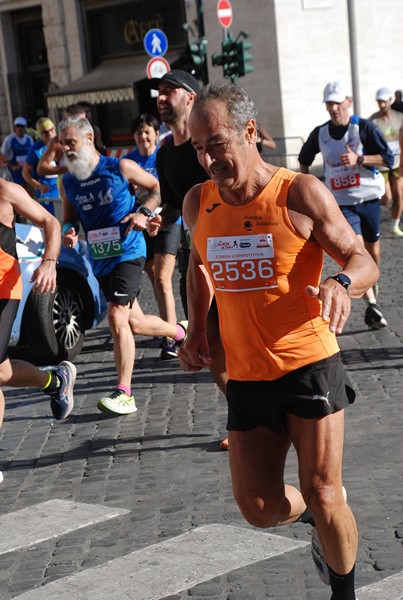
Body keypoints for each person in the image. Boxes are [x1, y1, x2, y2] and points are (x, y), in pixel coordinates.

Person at [177, 82, 378, 600]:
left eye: (215, 143)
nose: (207, 159)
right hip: (246, 376)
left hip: (310, 364)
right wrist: (197, 326)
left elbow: (363, 260)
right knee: (259, 508)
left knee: (325, 489)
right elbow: (198, 267)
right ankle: (315, 515)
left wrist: (339, 283)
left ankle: (343, 590)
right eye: (198, 148)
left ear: (249, 132)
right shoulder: (198, 202)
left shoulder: (298, 193)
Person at [58, 116, 187, 416]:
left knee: (117, 317)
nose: (66, 149)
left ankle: (124, 392)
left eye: (71, 142)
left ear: (89, 139)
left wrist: (143, 212)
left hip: (129, 250)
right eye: (63, 144)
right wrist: (69, 230)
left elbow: (156, 188)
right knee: (135, 323)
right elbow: (69, 215)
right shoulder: (68, 181)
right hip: (101, 259)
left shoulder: (119, 167)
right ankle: (180, 333)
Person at [148, 69, 228, 442]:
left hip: (231, 256)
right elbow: (173, 205)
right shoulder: (164, 153)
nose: (161, 97)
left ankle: (255, 415)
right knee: (210, 343)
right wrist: (152, 218)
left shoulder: (212, 147)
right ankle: (242, 414)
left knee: (239, 339)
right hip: (195, 262)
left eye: (169, 91)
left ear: (191, 98)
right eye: (159, 92)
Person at [298, 81, 393, 330]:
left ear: (348, 102)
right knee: (355, 250)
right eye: (329, 103)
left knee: (373, 254)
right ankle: (372, 305)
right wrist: (303, 189)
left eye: (338, 102)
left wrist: (360, 158)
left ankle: (371, 280)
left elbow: (389, 159)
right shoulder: (320, 133)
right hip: (341, 204)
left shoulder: (364, 128)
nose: (334, 108)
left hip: (368, 199)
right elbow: (303, 159)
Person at [0, 179, 77, 482]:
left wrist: (49, 262)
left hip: (4, 289)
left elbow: (50, 221)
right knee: (3, 371)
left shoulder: (6, 191)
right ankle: (54, 379)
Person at [125, 113, 183, 360]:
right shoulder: (128, 161)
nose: (143, 136)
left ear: (156, 133)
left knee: (162, 278)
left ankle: (171, 338)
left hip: (167, 220)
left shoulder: (163, 156)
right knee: (153, 279)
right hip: (142, 225)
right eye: (139, 132)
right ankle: (167, 328)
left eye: (147, 131)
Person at [369, 87, 403, 236]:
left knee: (399, 195)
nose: (382, 105)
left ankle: (395, 226)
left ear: (390, 100)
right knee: (386, 197)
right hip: (381, 164)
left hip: (396, 162)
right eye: (379, 102)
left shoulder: (399, 117)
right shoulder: (372, 121)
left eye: (384, 101)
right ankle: (369, 209)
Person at [37, 103, 87, 179]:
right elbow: (41, 168)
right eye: (74, 121)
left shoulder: (88, 136)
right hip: (68, 187)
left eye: (82, 121)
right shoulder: (57, 141)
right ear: (65, 120)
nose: (80, 125)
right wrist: (68, 169)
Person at [22, 117, 59, 216]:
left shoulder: (61, 143)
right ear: (39, 134)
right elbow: (25, 172)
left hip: (62, 189)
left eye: (52, 130)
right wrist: (38, 186)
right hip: (47, 193)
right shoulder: (35, 150)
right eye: (46, 132)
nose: (50, 134)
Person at [1, 117, 34, 189]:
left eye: (22, 126)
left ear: (25, 127)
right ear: (15, 127)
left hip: (26, 169)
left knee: (30, 189)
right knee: (19, 189)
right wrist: (12, 166)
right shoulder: (9, 139)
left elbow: (32, 154)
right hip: (15, 171)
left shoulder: (29, 139)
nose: (19, 128)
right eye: (17, 126)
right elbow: (2, 155)